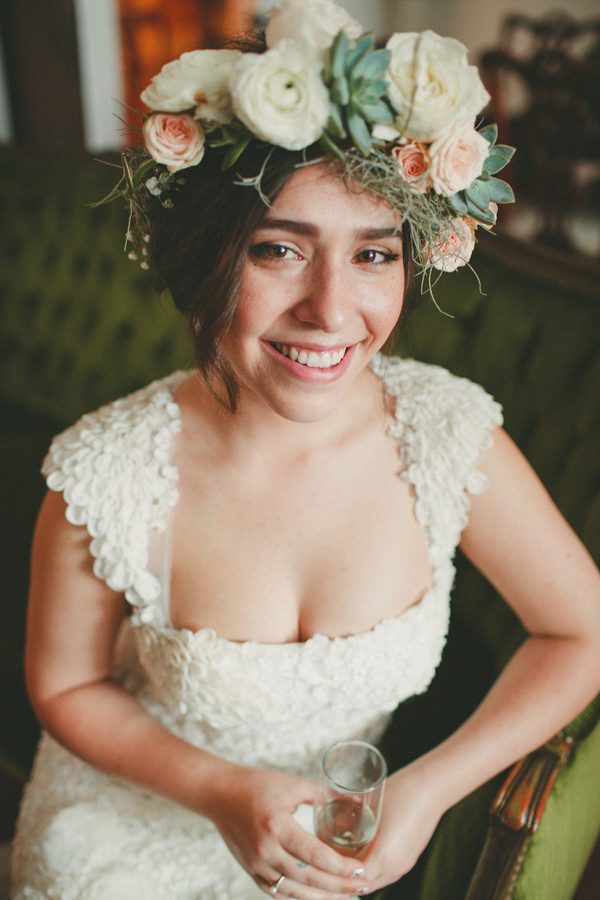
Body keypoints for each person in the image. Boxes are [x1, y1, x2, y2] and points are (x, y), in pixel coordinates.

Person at [10, 2, 600, 898]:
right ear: (209, 257)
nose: (331, 311)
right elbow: (65, 689)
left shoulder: (447, 438)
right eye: (280, 249)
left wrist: (428, 791)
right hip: (124, 838)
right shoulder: (104, 474)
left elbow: (583, 632)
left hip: (338, 851)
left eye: (374, 255)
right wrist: (223, 791)